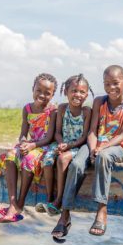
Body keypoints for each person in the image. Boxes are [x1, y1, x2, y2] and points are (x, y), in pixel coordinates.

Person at [51, 65, 123, 238]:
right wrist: (92, 149)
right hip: (95, 144)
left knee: (104, 158)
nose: (111, 88)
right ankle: (65, 214)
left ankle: (101, 210)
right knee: (76, 164)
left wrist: (102, 148)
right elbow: (92, 131)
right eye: (107, 84)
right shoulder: (99, 101)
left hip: (117, 147)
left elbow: (122, 135)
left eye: (115, 83)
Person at [0, 73, 57, 223]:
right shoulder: (27, 109)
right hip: (30, 144)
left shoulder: (53, 111)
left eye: (47, 93)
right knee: (10, 155)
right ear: (33, 89)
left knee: (29, 159)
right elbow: (23, 134)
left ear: (53, 95)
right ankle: (13, 203)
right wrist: (24, 142)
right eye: (39, 91)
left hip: (44, 146)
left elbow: (49, 137)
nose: (42, 95)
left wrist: (31, 146)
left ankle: (20, 203)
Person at [38, 74, 93, 216]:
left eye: (82, 92)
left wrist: (68, 146)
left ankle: (59, 199)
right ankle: (49, 198)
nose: (77, 95)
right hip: (61, 143)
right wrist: (62, 143)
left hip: (77, 146)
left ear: (87, 95)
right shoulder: (62, 109)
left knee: (62, 159)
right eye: (74, 91)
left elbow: (84, 137)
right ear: (66, 92)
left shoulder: (86, 112)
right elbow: (57, 132)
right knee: (47, 159)